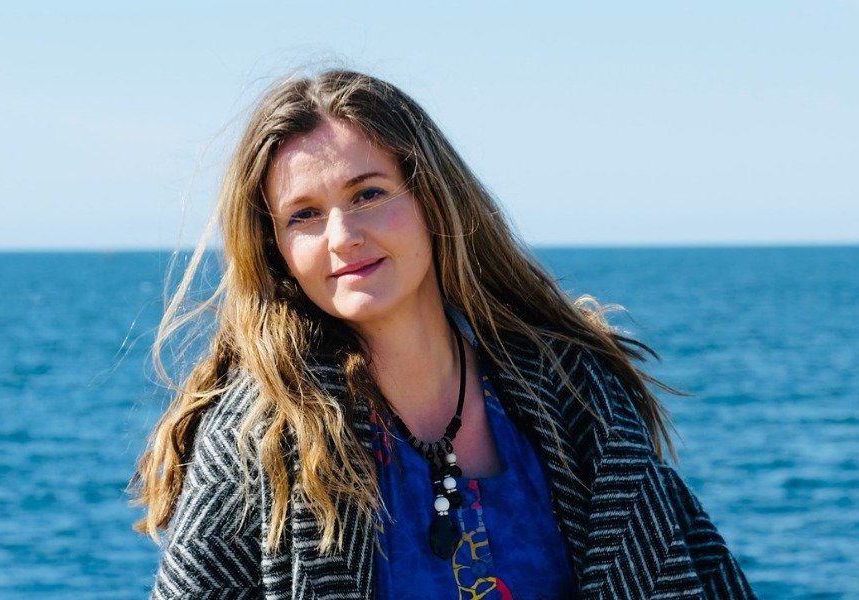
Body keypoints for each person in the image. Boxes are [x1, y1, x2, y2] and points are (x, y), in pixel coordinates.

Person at [130, 69, 756, 599]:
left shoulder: (576, 395)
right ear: (277, 250)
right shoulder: (255, 444)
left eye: (368, 193)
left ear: (432, 198)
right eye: (305, 215)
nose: (342, 236)